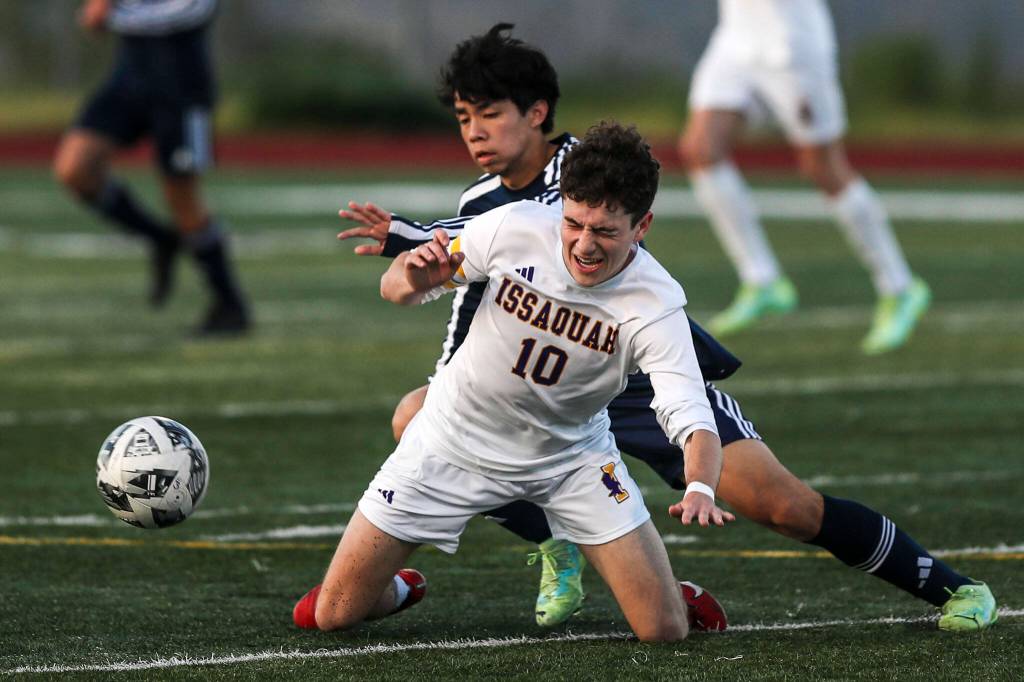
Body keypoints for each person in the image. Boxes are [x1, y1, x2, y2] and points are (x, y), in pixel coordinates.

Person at [337, 25, 997, 633]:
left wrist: (409, 236)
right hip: (547, 394)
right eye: (463, 118)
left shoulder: (584, 170)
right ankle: (560, 545)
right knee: (414, 416)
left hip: (633, 372)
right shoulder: (481, 200)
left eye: (489, 114)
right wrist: (415, 260)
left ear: (537, 114)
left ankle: (951, 587)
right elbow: (466, 276)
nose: (474, 133)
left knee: (782, 505)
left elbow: (542, 228)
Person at [294, 123, 731, 641]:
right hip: (449, 440)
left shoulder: (655, 303)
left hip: (573, 461)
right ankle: (399, 588)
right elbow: (397, 290)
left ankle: (669, 591)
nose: (584, 245)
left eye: (605, 232)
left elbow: (691, 413)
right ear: (561, 205)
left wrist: (700, 485)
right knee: (332, 614)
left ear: (642, 225)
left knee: (663, 631)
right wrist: (415, 273)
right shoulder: (517, 226)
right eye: (574, 223)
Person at [679, 0, 929, 354]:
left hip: (792, 46)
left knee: (823, 167)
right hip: (737, 38)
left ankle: (900, 288)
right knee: (701, 148)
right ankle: (763, 280)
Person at [53, 0, 249, 336]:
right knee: (75, 168)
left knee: (182, 199)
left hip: (181, 70)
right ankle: (160, 239)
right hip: (130, 64)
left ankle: (230, 305)